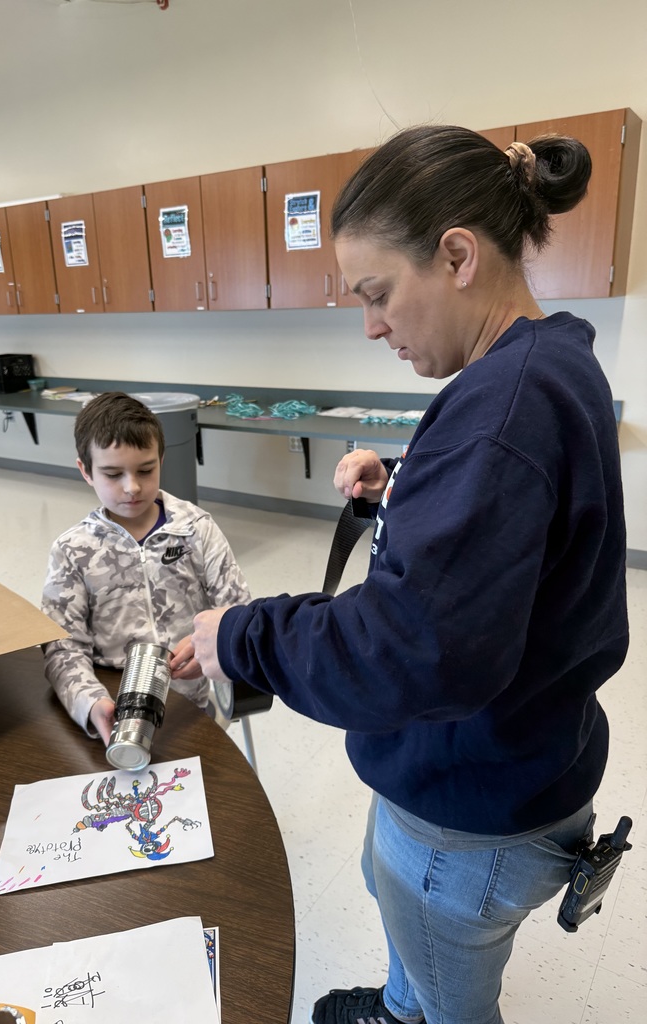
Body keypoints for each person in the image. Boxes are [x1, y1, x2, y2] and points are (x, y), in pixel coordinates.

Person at [191, 125, 629, 1024]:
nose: (372, 324)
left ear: (458, 255)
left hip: (474, 808)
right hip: (523, 754)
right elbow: (516, 540)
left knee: (448, 979)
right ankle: (401, 1006)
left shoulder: (499, 414)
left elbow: (411, 650)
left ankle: (421, 1010)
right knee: (394, 896)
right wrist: (407, 493)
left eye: (378, 293)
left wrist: (242, 634)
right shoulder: (544, 365)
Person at [41, 391, 250, 743]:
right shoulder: (72, 550)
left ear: (161, 460)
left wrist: (215, 647)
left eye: (145, 470)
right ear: (86, 471)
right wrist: (91, 704)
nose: (132, 487)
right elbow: (61, 646)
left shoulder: (196, 529)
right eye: (112, 474)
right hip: (114, 708)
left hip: (192, 706)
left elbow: (239, 608)